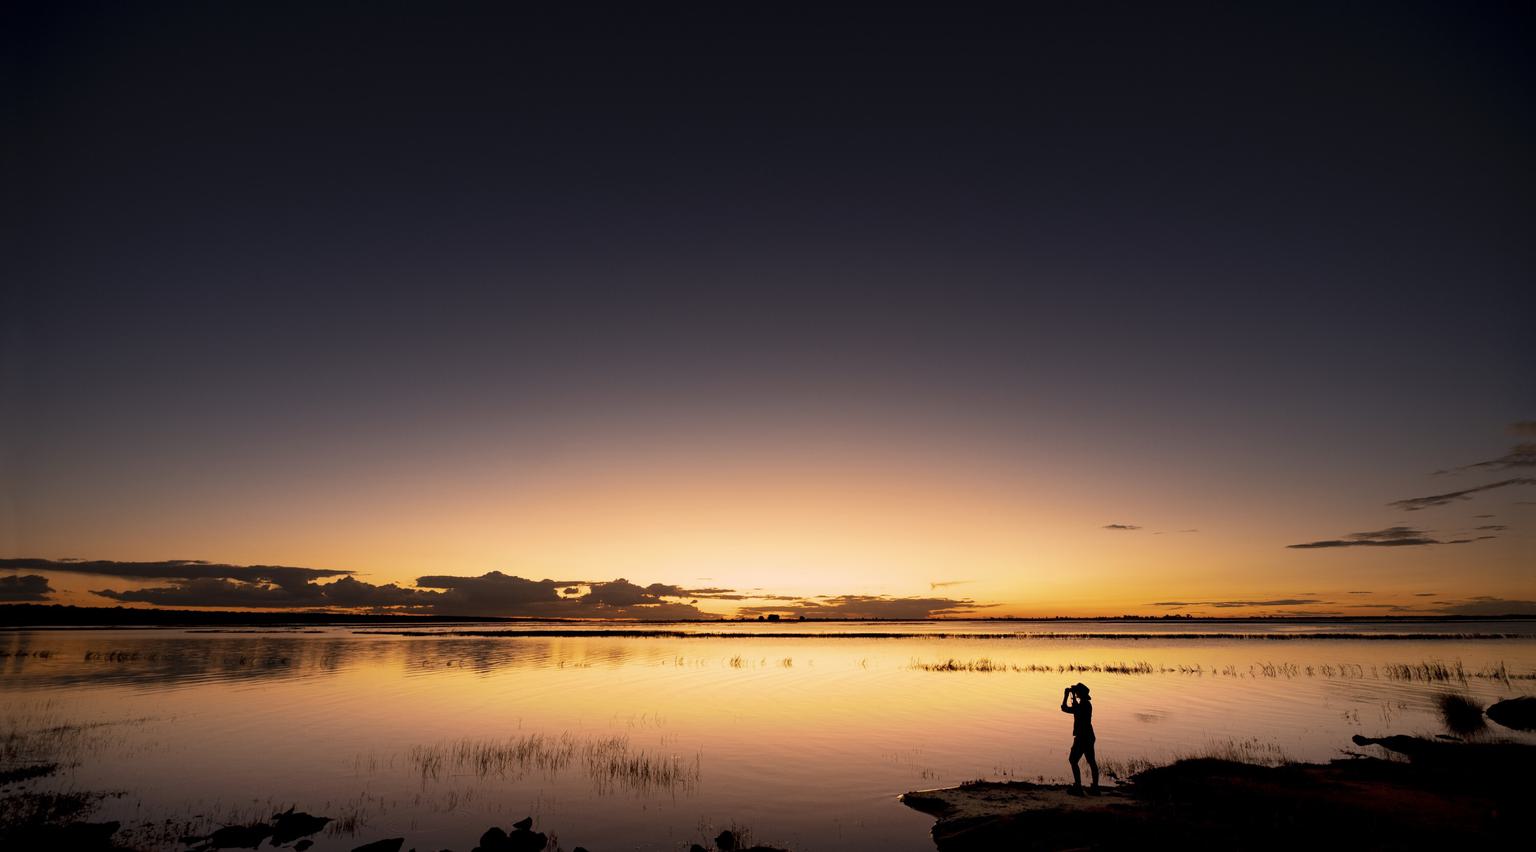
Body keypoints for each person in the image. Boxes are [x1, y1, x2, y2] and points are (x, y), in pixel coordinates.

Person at [1061, 682, 1099, 795]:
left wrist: (1066, 696)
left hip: (1082, 737)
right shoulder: (1086, 704)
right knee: (1091, 761)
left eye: (1077, 691)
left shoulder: (1083, 705)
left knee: (1073, 760)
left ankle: (1078, 787)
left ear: (1080, 693)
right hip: (1088, 736)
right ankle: (1095, 788)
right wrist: (1072, 696)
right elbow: (1074, 708)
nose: (1075, 693)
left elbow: (1065, 708)